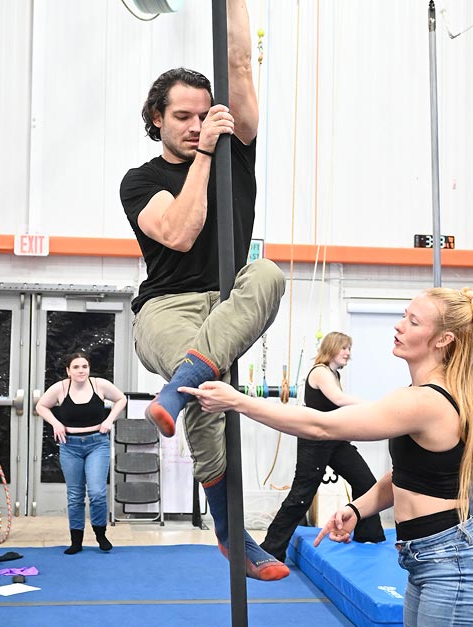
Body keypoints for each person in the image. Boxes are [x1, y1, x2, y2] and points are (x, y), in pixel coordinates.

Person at [183, 287, 473, 627]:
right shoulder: (421, 393)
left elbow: (322, 426)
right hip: (428, 560)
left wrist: (239, 402)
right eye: (404, 315)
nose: (399, 326)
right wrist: (357, 508)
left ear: (443, 339)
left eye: (413, 322)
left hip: (452, 564)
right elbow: (408, 478)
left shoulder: (427, 400)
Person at [119, 0, 288, 581]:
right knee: (211, 398)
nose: (195, 125)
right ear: (157, 119)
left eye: (203, 114)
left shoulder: (237, 146)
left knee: (268, 273)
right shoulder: (141, 180)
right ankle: (231, 533)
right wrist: (208, 153)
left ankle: (177, 391)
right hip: (166, 308)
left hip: (228, 300)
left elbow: (239, 61)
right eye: (182, 116)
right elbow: (181, 233)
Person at [259, 332, 385, 563]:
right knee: (301, 496)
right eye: (344, 348)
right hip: (315, 442)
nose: (348, 353)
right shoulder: (320, 372)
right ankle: (270, 550)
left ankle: (369, 536)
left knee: (366, 482)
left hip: (335, 439)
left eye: (349, 348)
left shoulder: (334, 374)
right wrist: (377, 406)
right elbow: (339, 399)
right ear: (332, 348)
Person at [36, 352, 127, 555]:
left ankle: (100, 534)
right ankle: (76, 541)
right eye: (76, 367)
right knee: (75, 495)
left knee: (97, 492)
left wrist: (109, 420)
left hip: (97, 444)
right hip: (70, 446)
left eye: (84, 366)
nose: (81, 370)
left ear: (89, 368)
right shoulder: (60, 388)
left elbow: (121, 399)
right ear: (68, 371)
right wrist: (56, 423)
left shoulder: (99, 385)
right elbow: (41, 406)